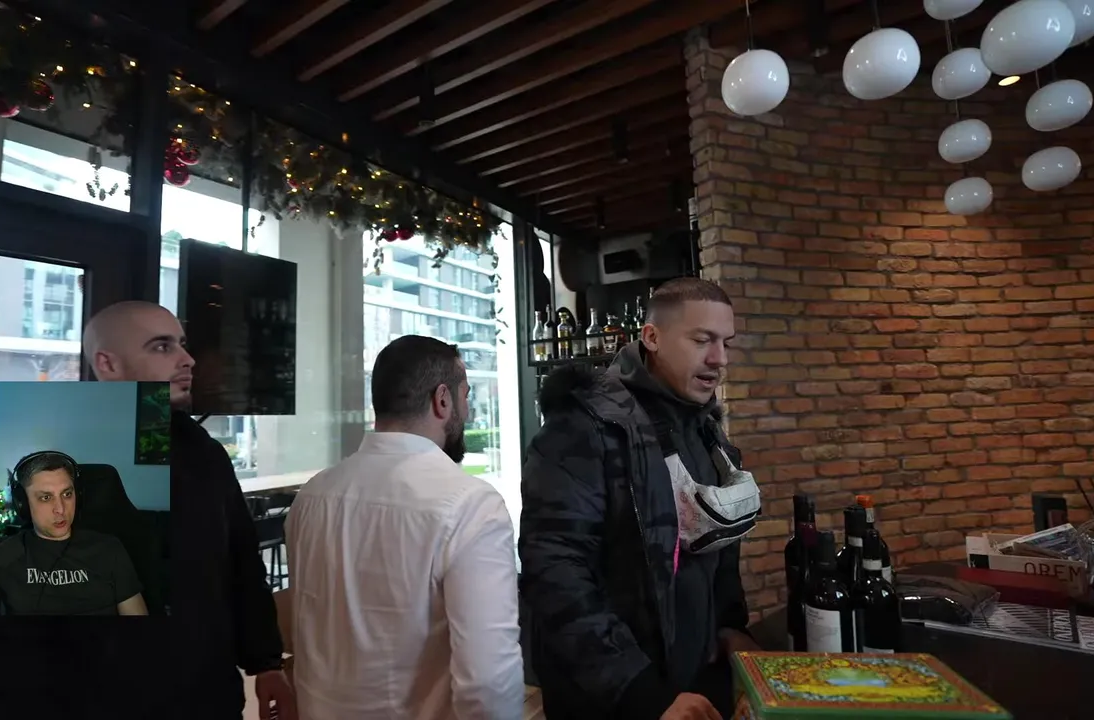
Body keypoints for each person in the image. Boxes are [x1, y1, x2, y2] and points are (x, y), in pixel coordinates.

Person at [519, 278, 762, 720]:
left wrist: (730, 626)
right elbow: (555, 573)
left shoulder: (707, 430)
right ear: (651, 337)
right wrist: (643, 692)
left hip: (695, 683)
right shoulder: (586, 426)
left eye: (726, 343)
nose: (719, 359)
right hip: (615, 700)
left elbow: (718, 548)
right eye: (702, 340)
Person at [286, 335, 525, 720]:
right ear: (442, 399)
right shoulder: (471, 506)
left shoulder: (312, 496)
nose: (468, 409)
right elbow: (488, 686)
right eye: (465, 395)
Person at [84, 300, 294, 719]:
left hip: (206, 693)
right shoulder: (69, 456)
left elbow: (241, 562)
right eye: (162, 347)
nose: (188, 359)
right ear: (108, 364)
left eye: (182, 344)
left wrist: (266, 663)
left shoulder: (205, 454)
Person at [0, 450, 147, 616]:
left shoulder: (108, 549)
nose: (60, 509)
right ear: (23, 504)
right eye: (46, 498)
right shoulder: (3, 552)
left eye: (67, 494)